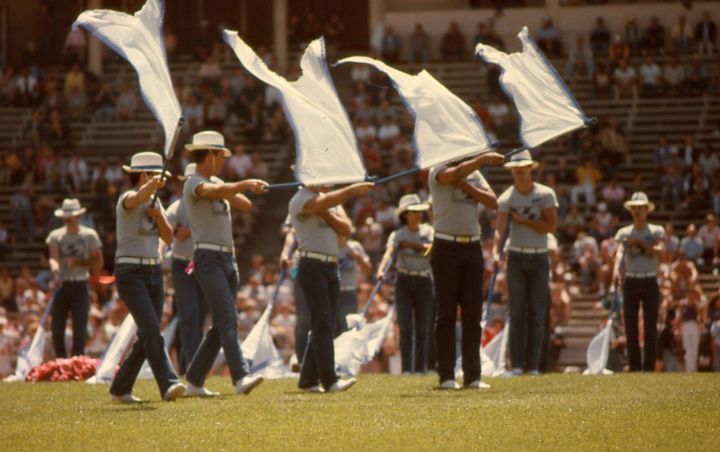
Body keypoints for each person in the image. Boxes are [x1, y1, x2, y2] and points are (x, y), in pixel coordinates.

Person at [182, 130, 268, 397]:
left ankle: (194, 380)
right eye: (220, 155)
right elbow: (214, 190)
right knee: (228, 316)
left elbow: (244, 204)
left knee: (222, 323)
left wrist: (248, 187)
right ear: (210, 155)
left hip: (227, 258)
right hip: (208, 257)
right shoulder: (193, 182)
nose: (223, 160)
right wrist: (243, 183)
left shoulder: (217, 182)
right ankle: (240, 376)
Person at [110, 152, 185, 403]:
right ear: (143, 175)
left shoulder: (157, 203)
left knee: (147, 334)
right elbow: (136, 197)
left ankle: (120, 388)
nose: (158, 180)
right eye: (154, 175)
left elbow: (168, 237)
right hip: (130, 273)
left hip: (153, 273)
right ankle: (169, 383)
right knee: (153, 330)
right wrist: (152, 186)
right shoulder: (127, 198)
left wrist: (158, 216)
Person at [289, 178, 373, 393]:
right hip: (312, 264)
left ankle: (308, 380)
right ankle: (330, 380)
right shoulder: (299, 199)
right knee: (323, 323)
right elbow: (316, 205)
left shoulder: (329, 202)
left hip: (330, 265)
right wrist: (352, 189)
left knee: (323, 324)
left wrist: (326, 212)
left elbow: (346, 229)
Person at [429, 150, 504, 389]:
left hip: (472, 246)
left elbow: (493, 202)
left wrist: (468, 185)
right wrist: (482, 160)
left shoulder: (474, 175)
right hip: (445, 245)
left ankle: (473, 376)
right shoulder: (437, 169)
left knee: (472, 314)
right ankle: (447, 376)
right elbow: (453, 174)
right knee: (447, 313)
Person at [495, 150, 558, 376]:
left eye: (523, 170)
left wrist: (522, 220)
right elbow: (499, 231)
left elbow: (550, 226)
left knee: (537, 313)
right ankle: (518, 365)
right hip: (517, 257)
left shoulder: (546, 194)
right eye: (516, 170)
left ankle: (534, 365)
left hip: (539, 256)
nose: (519, 174)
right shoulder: (506, 198)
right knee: (517, 311)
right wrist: (496, 252)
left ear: (531, 169)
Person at [377, 194, 434, 374]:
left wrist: (412, 244)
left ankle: (420, 369)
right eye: (413, 212)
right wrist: (380, 270)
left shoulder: (428, 231)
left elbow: (433, 248)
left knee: (423, 327)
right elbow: (389, 253)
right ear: (405, 215)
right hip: (404, 280)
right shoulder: (397, 235)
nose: (418, 216)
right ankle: (406, 369)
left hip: (424, 280)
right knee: (406, 327)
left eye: (419, 212)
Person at [612, 192, 664, 372]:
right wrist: (616, 271)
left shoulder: (656, 230)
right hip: (631, 280)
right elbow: (619, 253)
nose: (637, 211)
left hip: (649, 279)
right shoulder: (624, 232)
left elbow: (659, 251)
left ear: (647, 210)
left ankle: (648, 367)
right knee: (631, 327)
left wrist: (640, 244)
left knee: (650, 325)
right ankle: (634, 366)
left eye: (641, 208)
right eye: (634, 208)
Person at [46, 198, 102, 358]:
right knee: (57, 328)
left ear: (78, 216)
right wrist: (55, 271)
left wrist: (77, 261)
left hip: (80, 284)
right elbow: (53, 257)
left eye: (70, 217)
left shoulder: (90, 235)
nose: (68, 220)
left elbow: (98, 262)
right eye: (66, 218)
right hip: (60, 285)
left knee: (80, 328)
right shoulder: (55, 236)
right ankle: (61, 361)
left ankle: (78, 361)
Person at [165, 163, 206, 371]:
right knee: (189, 314)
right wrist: (175, 233)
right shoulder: (175, 207)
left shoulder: (206, 205)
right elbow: (165, 231)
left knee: (199, 317)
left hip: (203, 263)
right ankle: (193, 365)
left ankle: (190, 363)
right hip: (182, 263)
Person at [336, 232, 371, 336]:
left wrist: (358, 257)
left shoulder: (355, 246)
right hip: (331, 293)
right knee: (332, 330)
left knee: (348, 329)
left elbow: (368, 270)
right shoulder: (328, 246)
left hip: (349, 292)